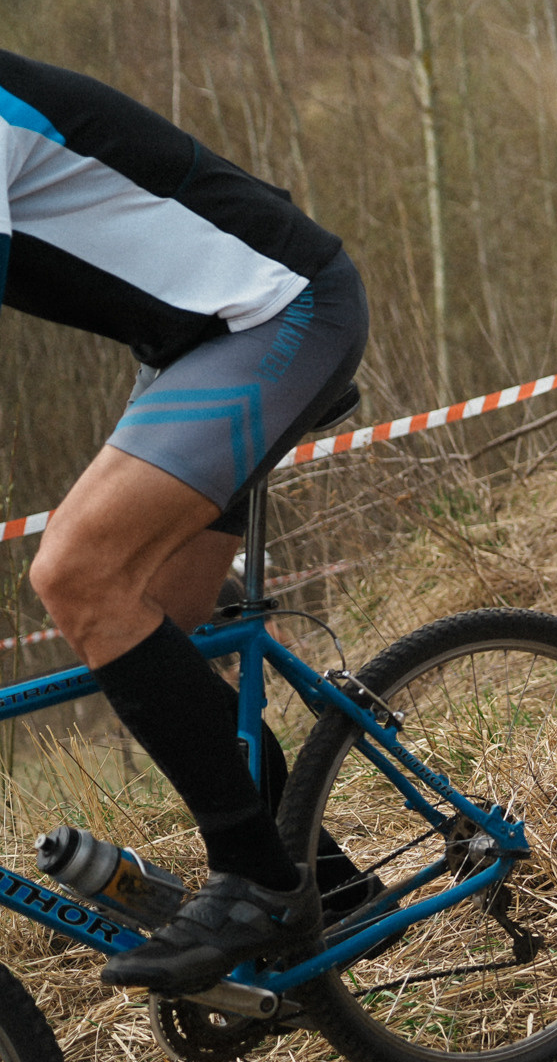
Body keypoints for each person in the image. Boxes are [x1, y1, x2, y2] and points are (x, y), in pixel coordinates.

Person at [5, 50, 370, 992]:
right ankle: (328, 883)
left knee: (77, 574)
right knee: (156, 637)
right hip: (193, 344)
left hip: (275, 313)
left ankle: (259, 880)